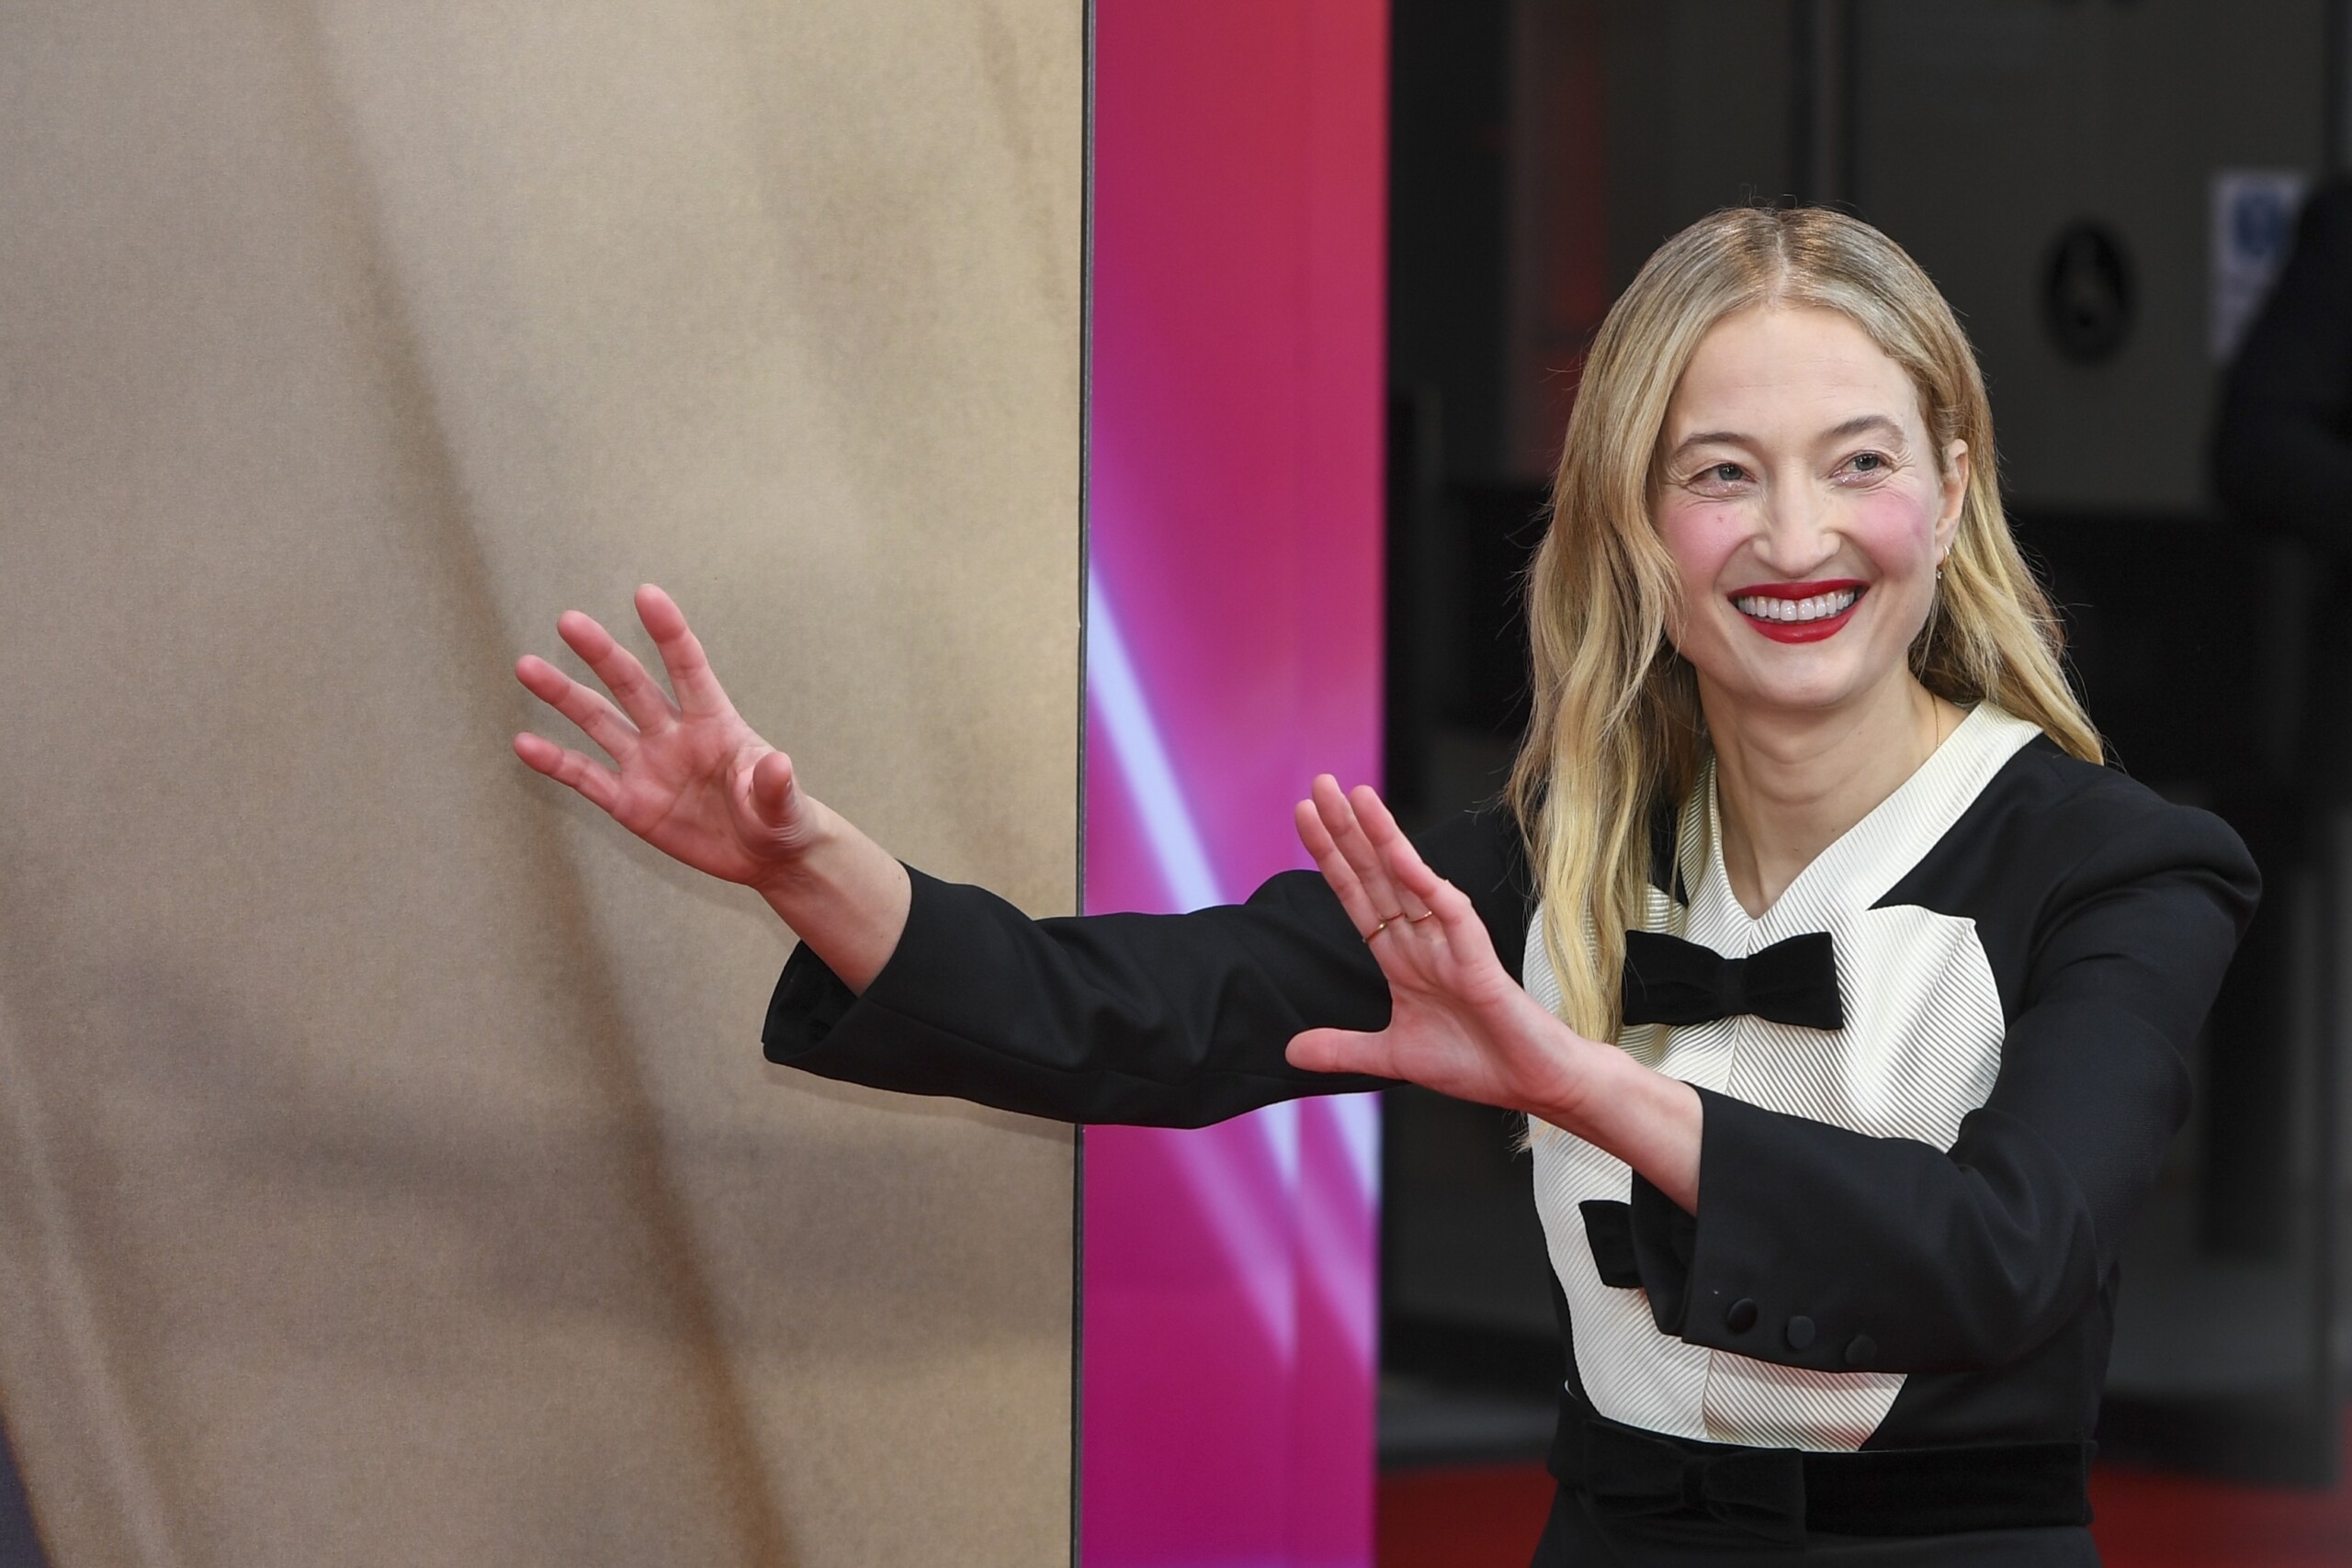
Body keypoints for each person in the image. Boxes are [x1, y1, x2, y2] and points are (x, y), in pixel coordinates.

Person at [513, 207, 2257, 1564]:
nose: (1796, 539)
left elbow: (2001, 1263)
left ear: (1951, 494)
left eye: (1858, 462)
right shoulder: (1549, 861)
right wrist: (808, 863)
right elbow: (1140, 1018)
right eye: (1721, 475)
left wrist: (1577, 1079)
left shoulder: (2120, 872)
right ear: (1641, 529)